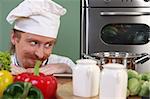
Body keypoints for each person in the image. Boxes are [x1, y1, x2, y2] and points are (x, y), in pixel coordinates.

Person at [6, 0, 76, 75]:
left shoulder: (65, 64)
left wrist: (68, 70)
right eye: (34, 43)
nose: (40, 54)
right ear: (14, 38)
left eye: (48, 45)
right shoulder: (3, 66)